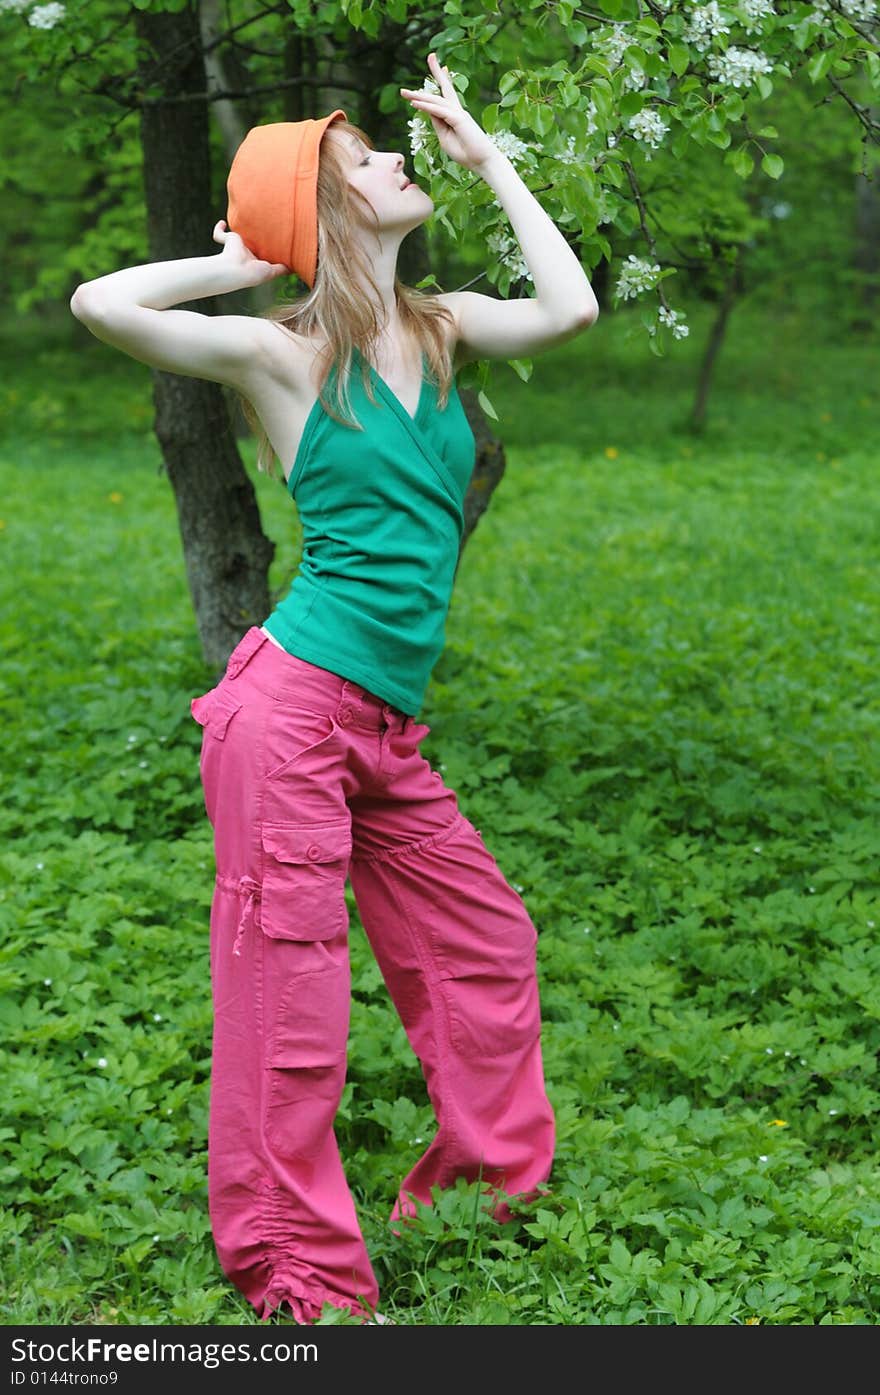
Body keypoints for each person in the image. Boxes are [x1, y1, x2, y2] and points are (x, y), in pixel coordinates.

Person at [70, 51, 599, 1325]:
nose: (400, 158)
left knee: (484, 945)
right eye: (368, 159)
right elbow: (102, 303)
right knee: (290, 997)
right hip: (291, 717)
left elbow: (572, 309)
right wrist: (249, 257)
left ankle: (482, 1192)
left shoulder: (444, 325)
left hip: (381, 731)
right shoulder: (282, 357)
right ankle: (300, 1284)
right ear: (326, 208)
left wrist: (492, 160)